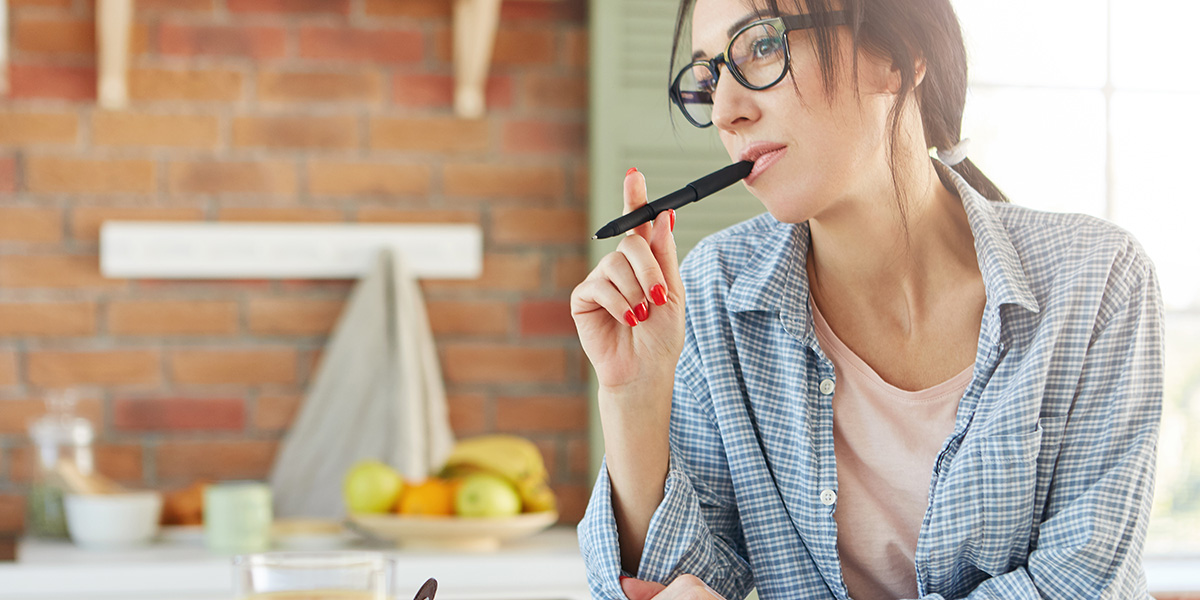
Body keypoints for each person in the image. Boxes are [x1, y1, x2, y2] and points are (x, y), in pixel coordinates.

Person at [570, 0, 1165, 598]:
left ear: (897, 58)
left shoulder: (1097, 281)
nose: (726, 111)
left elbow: (1080, 584)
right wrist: (634, 399)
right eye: (709, 76)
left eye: (763, 45)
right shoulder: (713, 293)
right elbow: (678, 585)